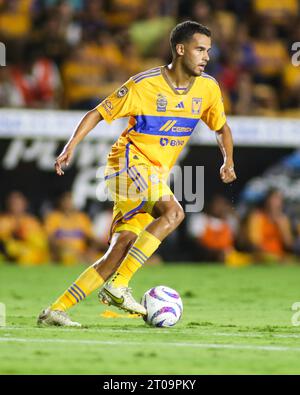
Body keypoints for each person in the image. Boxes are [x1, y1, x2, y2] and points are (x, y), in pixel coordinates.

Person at [38, 21, 237, 327]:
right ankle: (118, 286)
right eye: (200, 49)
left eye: (208, 50)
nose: (206, 56)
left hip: (153, 174)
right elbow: (97, 113)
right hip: (127, 164)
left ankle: (56, 310)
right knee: (173, 213)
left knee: (121, 248)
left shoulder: (208, 88)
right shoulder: (143, 85)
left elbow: (222, 128)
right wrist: (70, 147)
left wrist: (228, 161)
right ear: (180, 49)